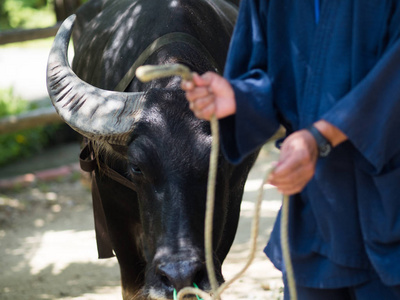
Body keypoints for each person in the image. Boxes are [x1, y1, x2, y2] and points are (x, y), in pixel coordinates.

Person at [182, 0, 400, 299]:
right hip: (315, 213)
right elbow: (266, 73)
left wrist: (320, 137)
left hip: (387, 206)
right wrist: (238, 98)